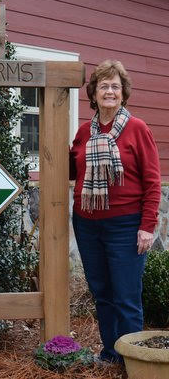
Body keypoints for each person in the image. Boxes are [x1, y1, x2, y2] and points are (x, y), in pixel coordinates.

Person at [70, 60, 161, 364]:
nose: (109, 91)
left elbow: (152, 182)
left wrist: (147, 226)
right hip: (86, 224)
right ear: (93, 93)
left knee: (125, 298)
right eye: (103, 86)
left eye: (115, 86)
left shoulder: (137, 129)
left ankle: (133, 362)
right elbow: (72, 167)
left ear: (123, 94)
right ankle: (111, 354)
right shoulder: (85, 132)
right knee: (102, 293)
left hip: (125, 225)